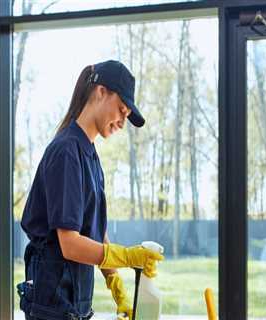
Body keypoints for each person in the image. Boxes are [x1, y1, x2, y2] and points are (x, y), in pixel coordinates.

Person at [17, 60, 163, 320]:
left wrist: (117, 288)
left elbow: (94, 232)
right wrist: (128, 256)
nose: (122, 122)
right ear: (100, 92)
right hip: (53, 305)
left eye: (126, 116)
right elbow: (71, 245)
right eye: (121, 109)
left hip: (74, 303)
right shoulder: (66, 152)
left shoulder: (89, 155)